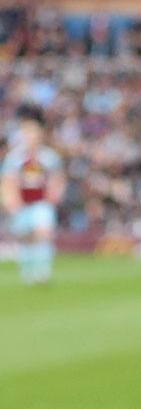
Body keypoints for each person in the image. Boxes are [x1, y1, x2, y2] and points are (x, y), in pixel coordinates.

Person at [2, 109, 64, 287]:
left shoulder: (49, 157)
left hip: (41, 203)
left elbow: (57, 178)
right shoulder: (15, 158)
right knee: (25, 237)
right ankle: (27, 271)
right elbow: (8, 180)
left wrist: (54, 196)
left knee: (43, 233)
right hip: (22, 203)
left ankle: (42, 272)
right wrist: (10, 200)